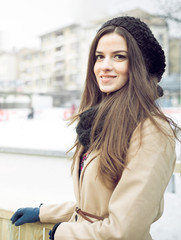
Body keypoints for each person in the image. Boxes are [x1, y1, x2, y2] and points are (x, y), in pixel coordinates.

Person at [10, 16, 179, 240]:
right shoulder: (101, 122)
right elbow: (96, 208)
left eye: (119, 56)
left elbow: (124, 229)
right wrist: (44, 212)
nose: (105, 66)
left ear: (141, 65)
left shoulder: (151, 130)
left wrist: (62, 233)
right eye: (99, 57)